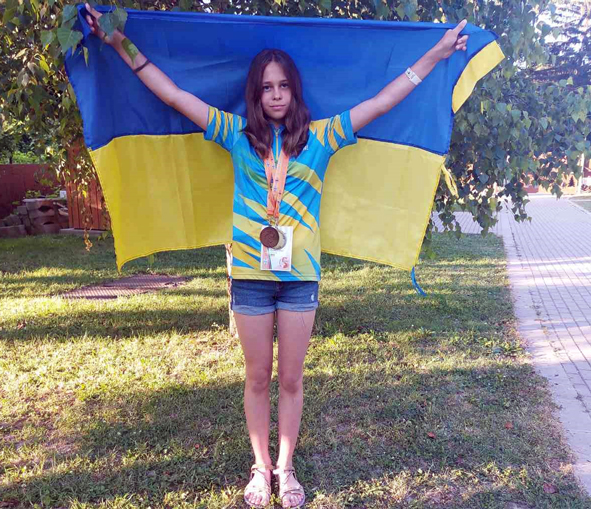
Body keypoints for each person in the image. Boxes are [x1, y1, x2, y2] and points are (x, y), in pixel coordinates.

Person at [83, 4, 468, 507]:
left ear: (295, 90)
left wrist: (436, 55)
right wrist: (119, 43)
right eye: (267, 87)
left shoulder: (324, 136)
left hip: (300, 278)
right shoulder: (235, 134)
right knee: (257, 377)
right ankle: (260, 469)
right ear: (256, 94)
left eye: (284, 85)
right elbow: (173, 94)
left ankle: (286, 469)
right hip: (249, 278)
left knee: (290, 378)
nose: (277, 94)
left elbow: (382, 101)